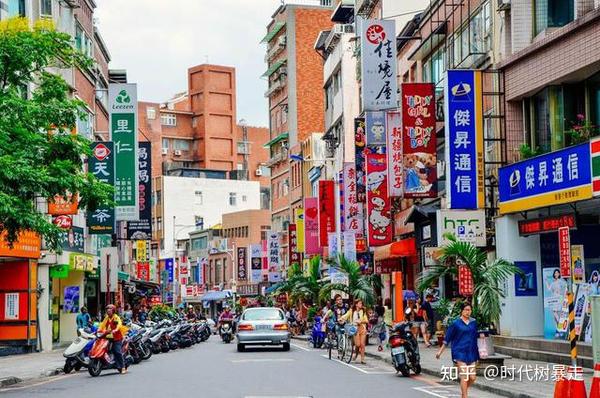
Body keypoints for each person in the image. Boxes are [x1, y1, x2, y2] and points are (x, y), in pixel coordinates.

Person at [436, 303, 479, 398]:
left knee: (472, 377)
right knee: (464, 375)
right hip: (459, 352)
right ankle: (465, 396)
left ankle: (463, 393)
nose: (468, 312)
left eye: (469, 310)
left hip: (471, 352)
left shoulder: (473, 322)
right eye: (466, 310)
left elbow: (475, 338)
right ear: (462, 311)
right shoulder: (455, 323)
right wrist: (440, 352)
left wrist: (477, 354)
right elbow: (447, 339)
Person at [99, 304, 127, 374]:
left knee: (117, 351)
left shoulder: (116, 317)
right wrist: (98, 330)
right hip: (108, 337)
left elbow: (119, 324)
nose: (108, 311)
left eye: (110, 310)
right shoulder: (106, 318)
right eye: (107, 310)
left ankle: (123, 366)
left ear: (113, 311)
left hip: (116, 337)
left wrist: (116, 329)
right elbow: (102, 325)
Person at [340, 299, 369, 364]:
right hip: (354, 328)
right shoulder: (351, 311)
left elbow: (366, 320)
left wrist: (361, 321)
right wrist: (341, 318)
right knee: (357, 344)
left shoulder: (363, 311)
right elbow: (346, 316)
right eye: (360, 303)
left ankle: (362, 359)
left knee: (362, 344)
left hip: (362, 328)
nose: (361, 305)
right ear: (356, 304)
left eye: (361, 303)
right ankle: (356, 354)